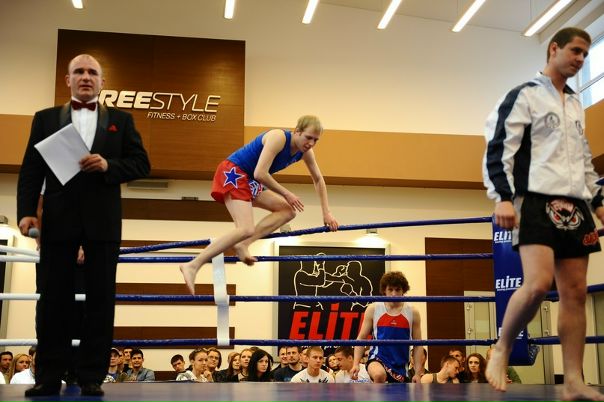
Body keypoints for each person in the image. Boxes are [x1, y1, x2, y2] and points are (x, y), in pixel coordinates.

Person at [16, 54, 150, 397]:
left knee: (101, 300)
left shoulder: (122, 120)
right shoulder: (45, 118)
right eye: (79, 71)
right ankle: (48, 376)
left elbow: (142, 164)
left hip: (103, 223)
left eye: (92, 72)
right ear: (68, 79)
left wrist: (108, 165)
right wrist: (27, 211)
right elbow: (31, 168)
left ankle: (92, 376)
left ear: (102, 82)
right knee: (52, 300)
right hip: (57, 221)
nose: (86, 77)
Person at [482, 27, 604, 402]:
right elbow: (498, 146)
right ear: (554, 49)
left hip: (575, 204)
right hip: (534, 199)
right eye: (575, 51)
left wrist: (598, 201)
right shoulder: (525, 94)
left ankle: (573, 380)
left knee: (575, 292)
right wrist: (502, 198)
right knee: (537, 285)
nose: (581, 59)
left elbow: (582, 159)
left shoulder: (575, 103)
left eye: (586, 54)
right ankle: (502, 346)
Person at [179, 115, 339, 295]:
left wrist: (327, 213)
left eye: (316, 140)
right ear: (297, 131)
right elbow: (260, 173)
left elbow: (318, 179)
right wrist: (287, 193)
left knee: (287, 211)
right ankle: (193, 265)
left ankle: (243, 244)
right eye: (308, 137)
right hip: (234, 172)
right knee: (245, 228)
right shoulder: (278, 137)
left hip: (249, 180)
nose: (311, 143)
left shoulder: (305, 153)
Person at [351, 271, 424, 383]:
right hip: (377, 358)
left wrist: (417, 373)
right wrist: (356, 363)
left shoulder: (412, 312)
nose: (394, 294)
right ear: (384, 290)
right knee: (379, 375)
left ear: (403, 291)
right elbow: (361, 337)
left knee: (397, 393)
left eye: (397, 290)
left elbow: (418, 345)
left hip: (400, 364)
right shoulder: (373, 309)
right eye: (390, 289)